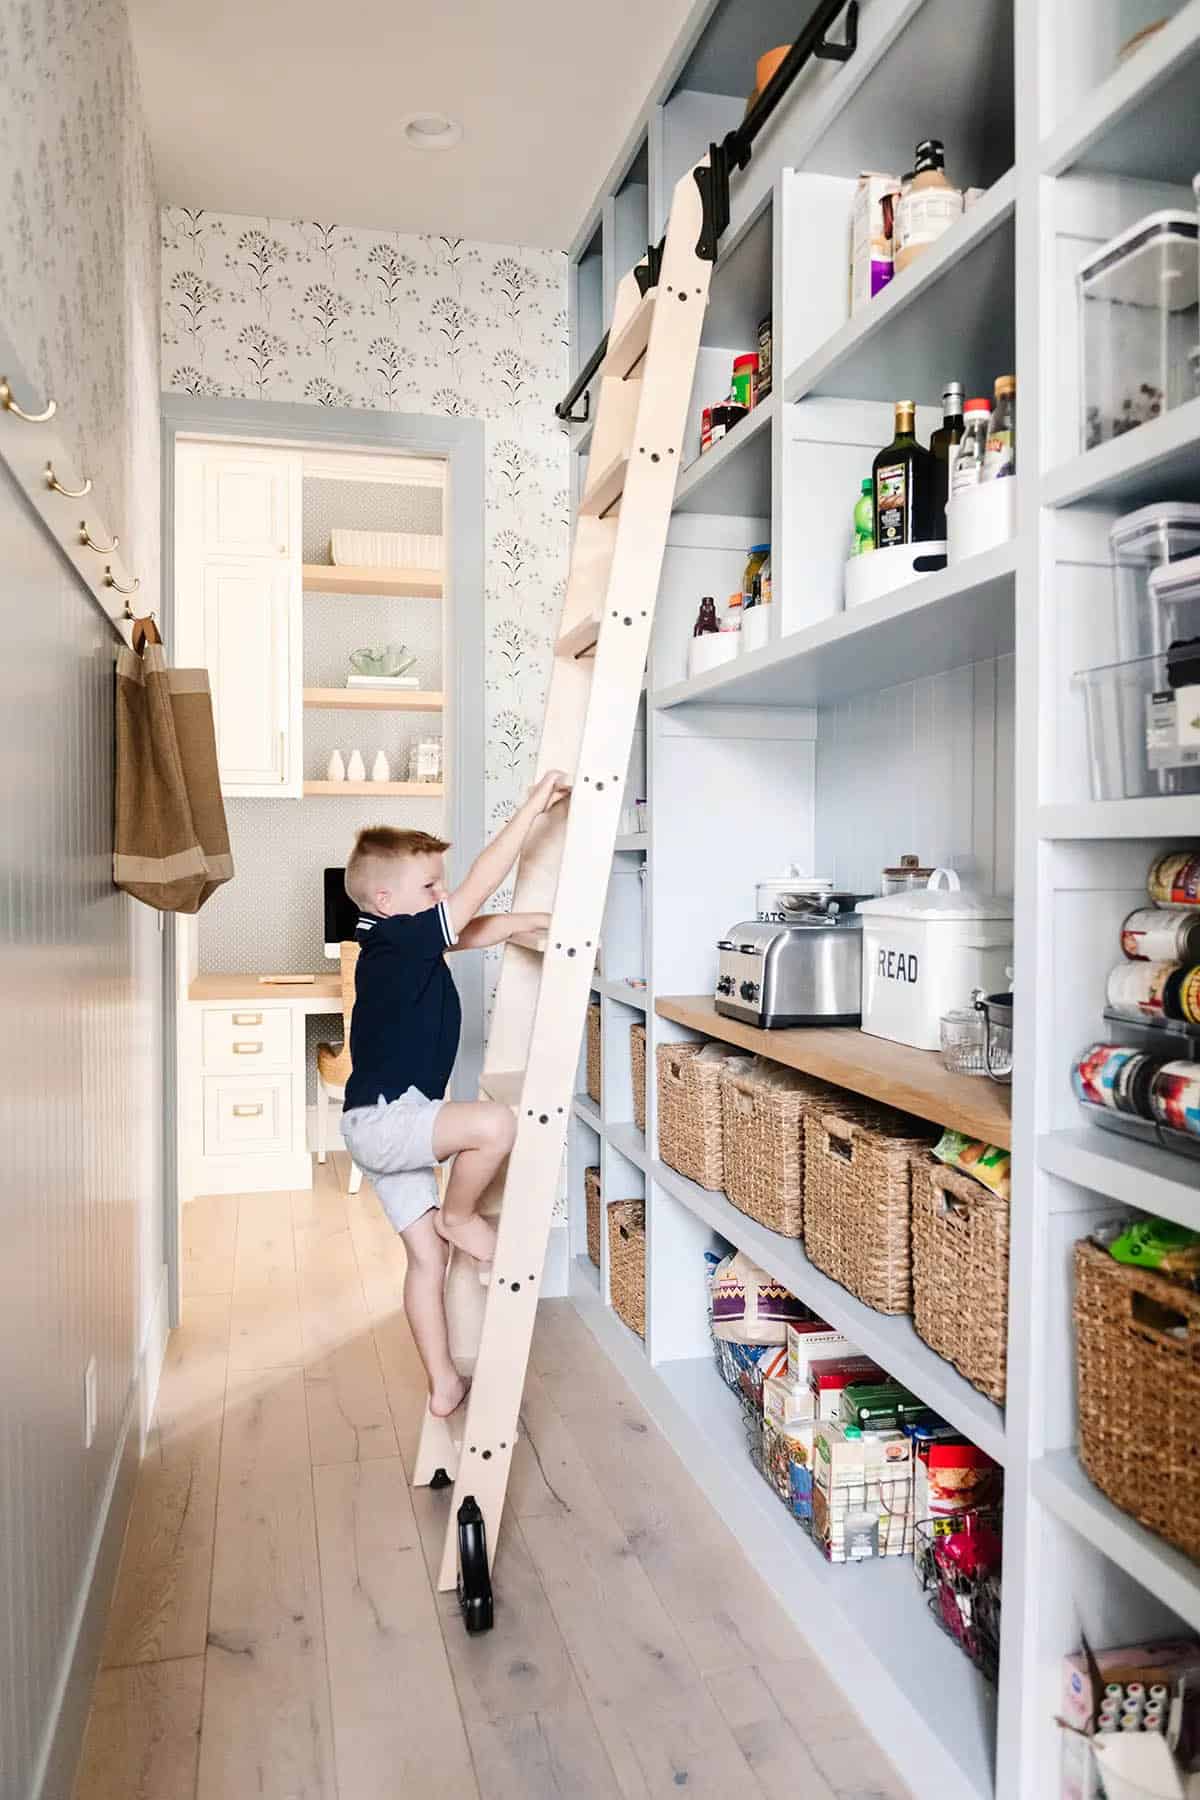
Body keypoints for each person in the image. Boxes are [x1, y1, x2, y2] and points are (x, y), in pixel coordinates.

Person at [340, 769, 571, 1418]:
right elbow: (475, 895)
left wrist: (538, 922)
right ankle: (461, 1215)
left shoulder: (391, 941)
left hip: (376, 1127)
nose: (443, 894)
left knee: (425, 1261)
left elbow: (475, 928)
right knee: (497, 1126)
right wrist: (531, 811)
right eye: (429, 886)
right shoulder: (395, 940)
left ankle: (442, 1382)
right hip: (393, 1121)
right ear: (387, 900)